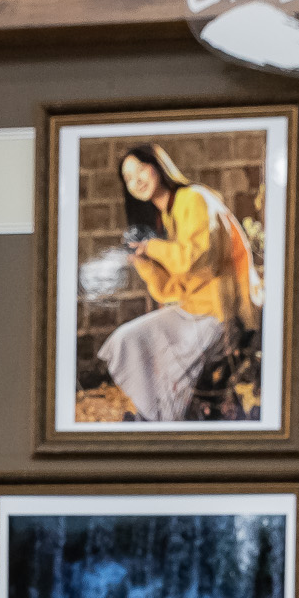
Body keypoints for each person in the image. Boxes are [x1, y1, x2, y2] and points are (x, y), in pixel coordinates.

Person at [97, 143, 261, 423]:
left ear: (158, 165)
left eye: (140, 170)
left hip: (221, 311)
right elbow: (173, 289)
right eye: (128, 178)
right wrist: (143, 262)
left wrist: (153, 248)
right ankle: (157, 417)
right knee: (127, 339)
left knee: (168, 372)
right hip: (194, 309)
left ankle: (162, 421)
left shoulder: (193, 198)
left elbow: (196, 260)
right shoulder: (168, 216)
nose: (136, 181)